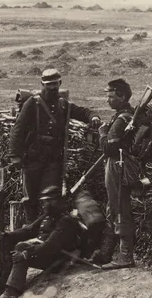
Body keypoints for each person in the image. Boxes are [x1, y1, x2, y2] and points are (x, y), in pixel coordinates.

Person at [8, 68, 100, 223]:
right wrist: (15, 155)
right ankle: (31, 228)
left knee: (49, 197)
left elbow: (83, 112)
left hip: (53, 160)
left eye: (55, 85)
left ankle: (46, 230)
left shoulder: (63, 105)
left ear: (60, 84)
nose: (52, 88)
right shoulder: (32, 104)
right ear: (42, 84)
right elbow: (18, 129)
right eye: (48, 85)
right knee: (30, 198)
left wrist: (94, 116)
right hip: (33, 158)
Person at [0, 197, 90, 298]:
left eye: (48, 201)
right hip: (45, 253)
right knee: (7, 240)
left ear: (57, 203)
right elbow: (29, 230)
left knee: (21, 247)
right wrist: (8, 235)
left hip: (57, 260)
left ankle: (12, 290)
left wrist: (25, 253)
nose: (44, 204)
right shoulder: (47, 216)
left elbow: (50, 246)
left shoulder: (66, 221)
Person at [93, 77, 143, 270]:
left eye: (111, 96)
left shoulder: (122, 120)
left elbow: (108, 148)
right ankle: (109, 252)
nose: (107, 100)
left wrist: (103, 132)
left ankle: (125, 255)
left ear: (122, 97)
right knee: (114, 208)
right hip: (118, 165)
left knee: (120, 208)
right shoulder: (126, 115)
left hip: (118, 166)